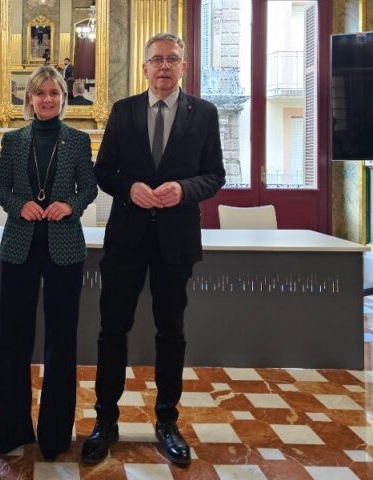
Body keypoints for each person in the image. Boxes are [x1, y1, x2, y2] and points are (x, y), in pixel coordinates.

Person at [81, 33, 225, 466]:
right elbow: (104, 171)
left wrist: (183, 190)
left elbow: (214, 175)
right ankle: (105, 421)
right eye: (157, 59)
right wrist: (130, 188)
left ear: (184, 66)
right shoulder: (123, 111)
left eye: (172, 59)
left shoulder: (205, 113)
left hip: (176, 241)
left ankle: (167, 421)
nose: (164, 66)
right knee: (112, 332)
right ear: (144, 67)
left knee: (171, 333)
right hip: (126, 239)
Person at [0, 65, 97, 462]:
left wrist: (70, 205)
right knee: (14, 339)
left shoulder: (78, 141)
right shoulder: (14, 141)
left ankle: (55, 435)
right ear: (29, 99)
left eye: (54, 93)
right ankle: (9, 430)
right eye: (40, 93)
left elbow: (89, 188)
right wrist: (20, 205)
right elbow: (0, 187)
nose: (47, 99)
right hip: (20, 245)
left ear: (64, 99)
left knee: (61, 340)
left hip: (65, 247)